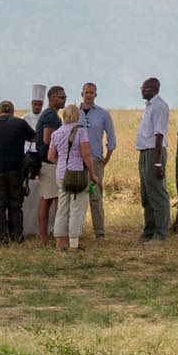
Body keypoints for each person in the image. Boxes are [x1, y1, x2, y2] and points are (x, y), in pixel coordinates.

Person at [0, 98, 35, 243]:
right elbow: (33, 137)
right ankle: (17, 236)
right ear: (13, 112)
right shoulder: (20, 123)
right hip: (16, 170)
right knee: (15, 204)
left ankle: (1, 237)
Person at [46, 101, 100, 251]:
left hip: (61, 174)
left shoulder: (56, 133)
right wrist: (93, 174)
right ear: (77, 116)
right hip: (77, 174)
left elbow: (50, 156)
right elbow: (86, 155)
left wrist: (62, 162)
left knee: (62, 208)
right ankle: (74, 244)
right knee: (77, 207)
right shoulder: (81, 132)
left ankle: (59, 243)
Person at [79, 81, 118, 239]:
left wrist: (106, 159)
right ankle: (77, 230)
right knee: (77, 196)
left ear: (95, 95)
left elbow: (111, 138)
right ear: (82, 94)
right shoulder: (75, 113)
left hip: (95, 160)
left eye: (91, 92)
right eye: (86, 92)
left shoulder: (103, 114)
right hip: (77, 161)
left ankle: (100, 232)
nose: (88, 95)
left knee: (94, 195)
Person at [34, 84, 68, 245]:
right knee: (51, 199)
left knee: (49, 199)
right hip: (50, 163)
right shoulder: (51, 116)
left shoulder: (50, 115)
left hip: (47, 162)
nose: (64, 100)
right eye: (62, 97)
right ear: (53, 98)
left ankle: (50, 235)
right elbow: (48, 139)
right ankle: (49, 236)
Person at [137, 75, 170, 241]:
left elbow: (159, 134)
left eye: (146, 89)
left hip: (154, 152)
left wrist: (157, 163)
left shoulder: (159, 106)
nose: (143, 91)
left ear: (155, 89)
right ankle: (149, 230)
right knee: (146, 194)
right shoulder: (149, 106)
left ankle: (161, 233)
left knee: (157, 193)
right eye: (142, 88)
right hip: (144, 152)